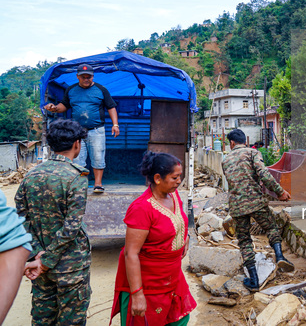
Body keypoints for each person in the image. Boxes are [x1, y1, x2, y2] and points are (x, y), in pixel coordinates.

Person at [15, 119, 91, 325]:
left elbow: (20, 219)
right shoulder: (77, 177)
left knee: (42, 319)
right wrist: (47, 261)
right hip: (69, 267)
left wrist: (38, 254)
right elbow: (71, 228)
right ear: (77, 143)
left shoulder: (30, 176)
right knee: (71, 321)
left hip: (39, 265)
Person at [110, 151, 196, 326]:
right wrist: (137, 294)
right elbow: (131, 254)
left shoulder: (173, 195)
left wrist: (184, 237)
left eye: (180, 176)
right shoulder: (141, 208)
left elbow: (179, 220)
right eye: (174, 178)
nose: (179, 182)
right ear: (157, 178)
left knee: (179, 319)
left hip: (172, 275)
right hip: (149, 282)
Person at [222, 129, 293, 292]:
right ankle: (280, 257)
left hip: (237, 206)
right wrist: (279, 191)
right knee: (271, 228)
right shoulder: (252, 152)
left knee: (244, 240)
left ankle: (253, 281)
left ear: (232, 143)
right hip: (256, 202)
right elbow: (263, 173)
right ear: (243, 141)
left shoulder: (225, 160)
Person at [44, 63, 119, 194]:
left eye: (89, 77)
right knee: (78, 160)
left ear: (93, 76)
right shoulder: (71, 90)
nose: (86, 79)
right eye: (83, 77)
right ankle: (81, 185)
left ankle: (98, 184)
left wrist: (115, 124)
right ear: (77, 76)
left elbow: (111, 107)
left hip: (97, 130)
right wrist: (54, 108)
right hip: (77, 132)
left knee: (98, 156)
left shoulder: (101, 89)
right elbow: (64, 106)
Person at [0, 189, 32, 324]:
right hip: (65, 260)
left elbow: (21, 210)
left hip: (38, 251)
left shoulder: (29, 179)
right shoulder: (74, 179)